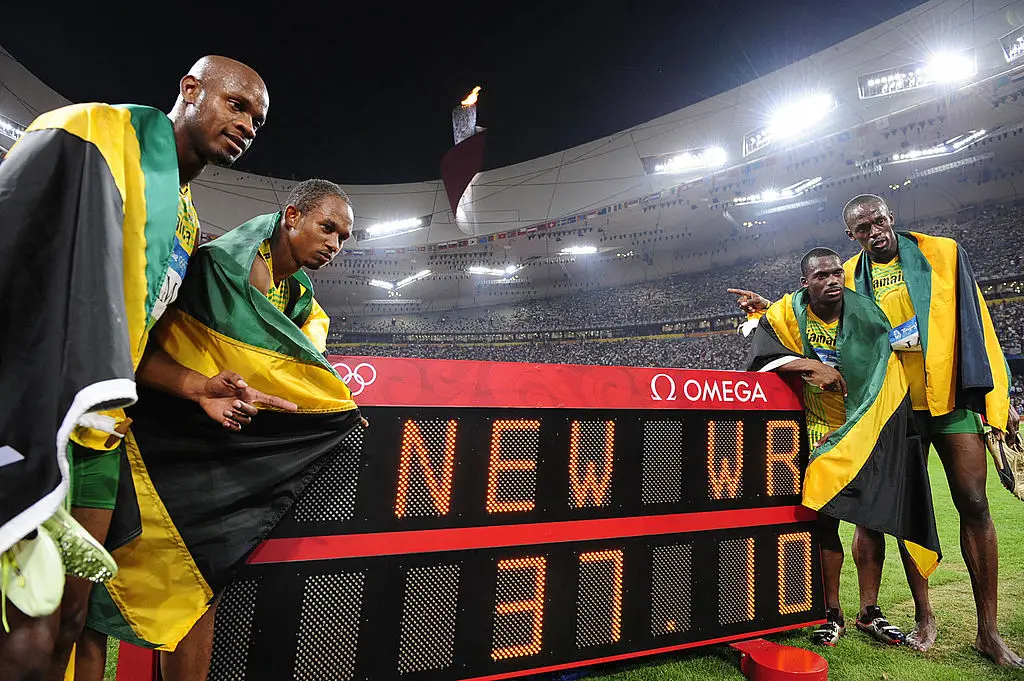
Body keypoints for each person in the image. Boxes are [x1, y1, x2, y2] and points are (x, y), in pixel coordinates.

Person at [0, 55, 285, 681]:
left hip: (101, 433)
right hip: (39, 413)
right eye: (236, 105)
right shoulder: (101, 133)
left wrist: (198, 386)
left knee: (71, 621)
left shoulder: (184, 220)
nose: (246, 125)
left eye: (257, 121)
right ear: (190, 90)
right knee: (24, 624)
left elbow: (132, 342)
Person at [82, 179, 364, 681]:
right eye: (327, 228)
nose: (334, 246)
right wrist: (197, 388)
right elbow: (140, 345)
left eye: (343, 238)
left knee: (197, 588)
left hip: (214, 447)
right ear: (292, 216)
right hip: (154, 437)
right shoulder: (218, 267)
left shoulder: (299, 297)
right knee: (99, 585)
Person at [731, 195, 1022, 667]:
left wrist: (999, 393)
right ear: (853, 235)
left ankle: (988, 632)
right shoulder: (846, 274)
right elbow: (806, 308)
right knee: (907, 508)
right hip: (892, 407)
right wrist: (769, 309)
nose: (876, 231)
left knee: (973, 502)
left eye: (881, 221)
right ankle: (925, 617)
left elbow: (977, 321)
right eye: (864, 228)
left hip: (948, 396)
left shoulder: (942, 253)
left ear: (891, 218)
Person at [742, 248, 939, 648]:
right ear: (805, 283)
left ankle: (870, 612)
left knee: (870, 520)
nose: (833, 281)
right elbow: (759, 355)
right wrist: (810, 365)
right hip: (818, 428)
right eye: (822, 276)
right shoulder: (785, 314)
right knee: (825, 520)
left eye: (837, 273)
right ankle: (831, 613)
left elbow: (895, 355)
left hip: (867, 423)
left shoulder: (867, 311)